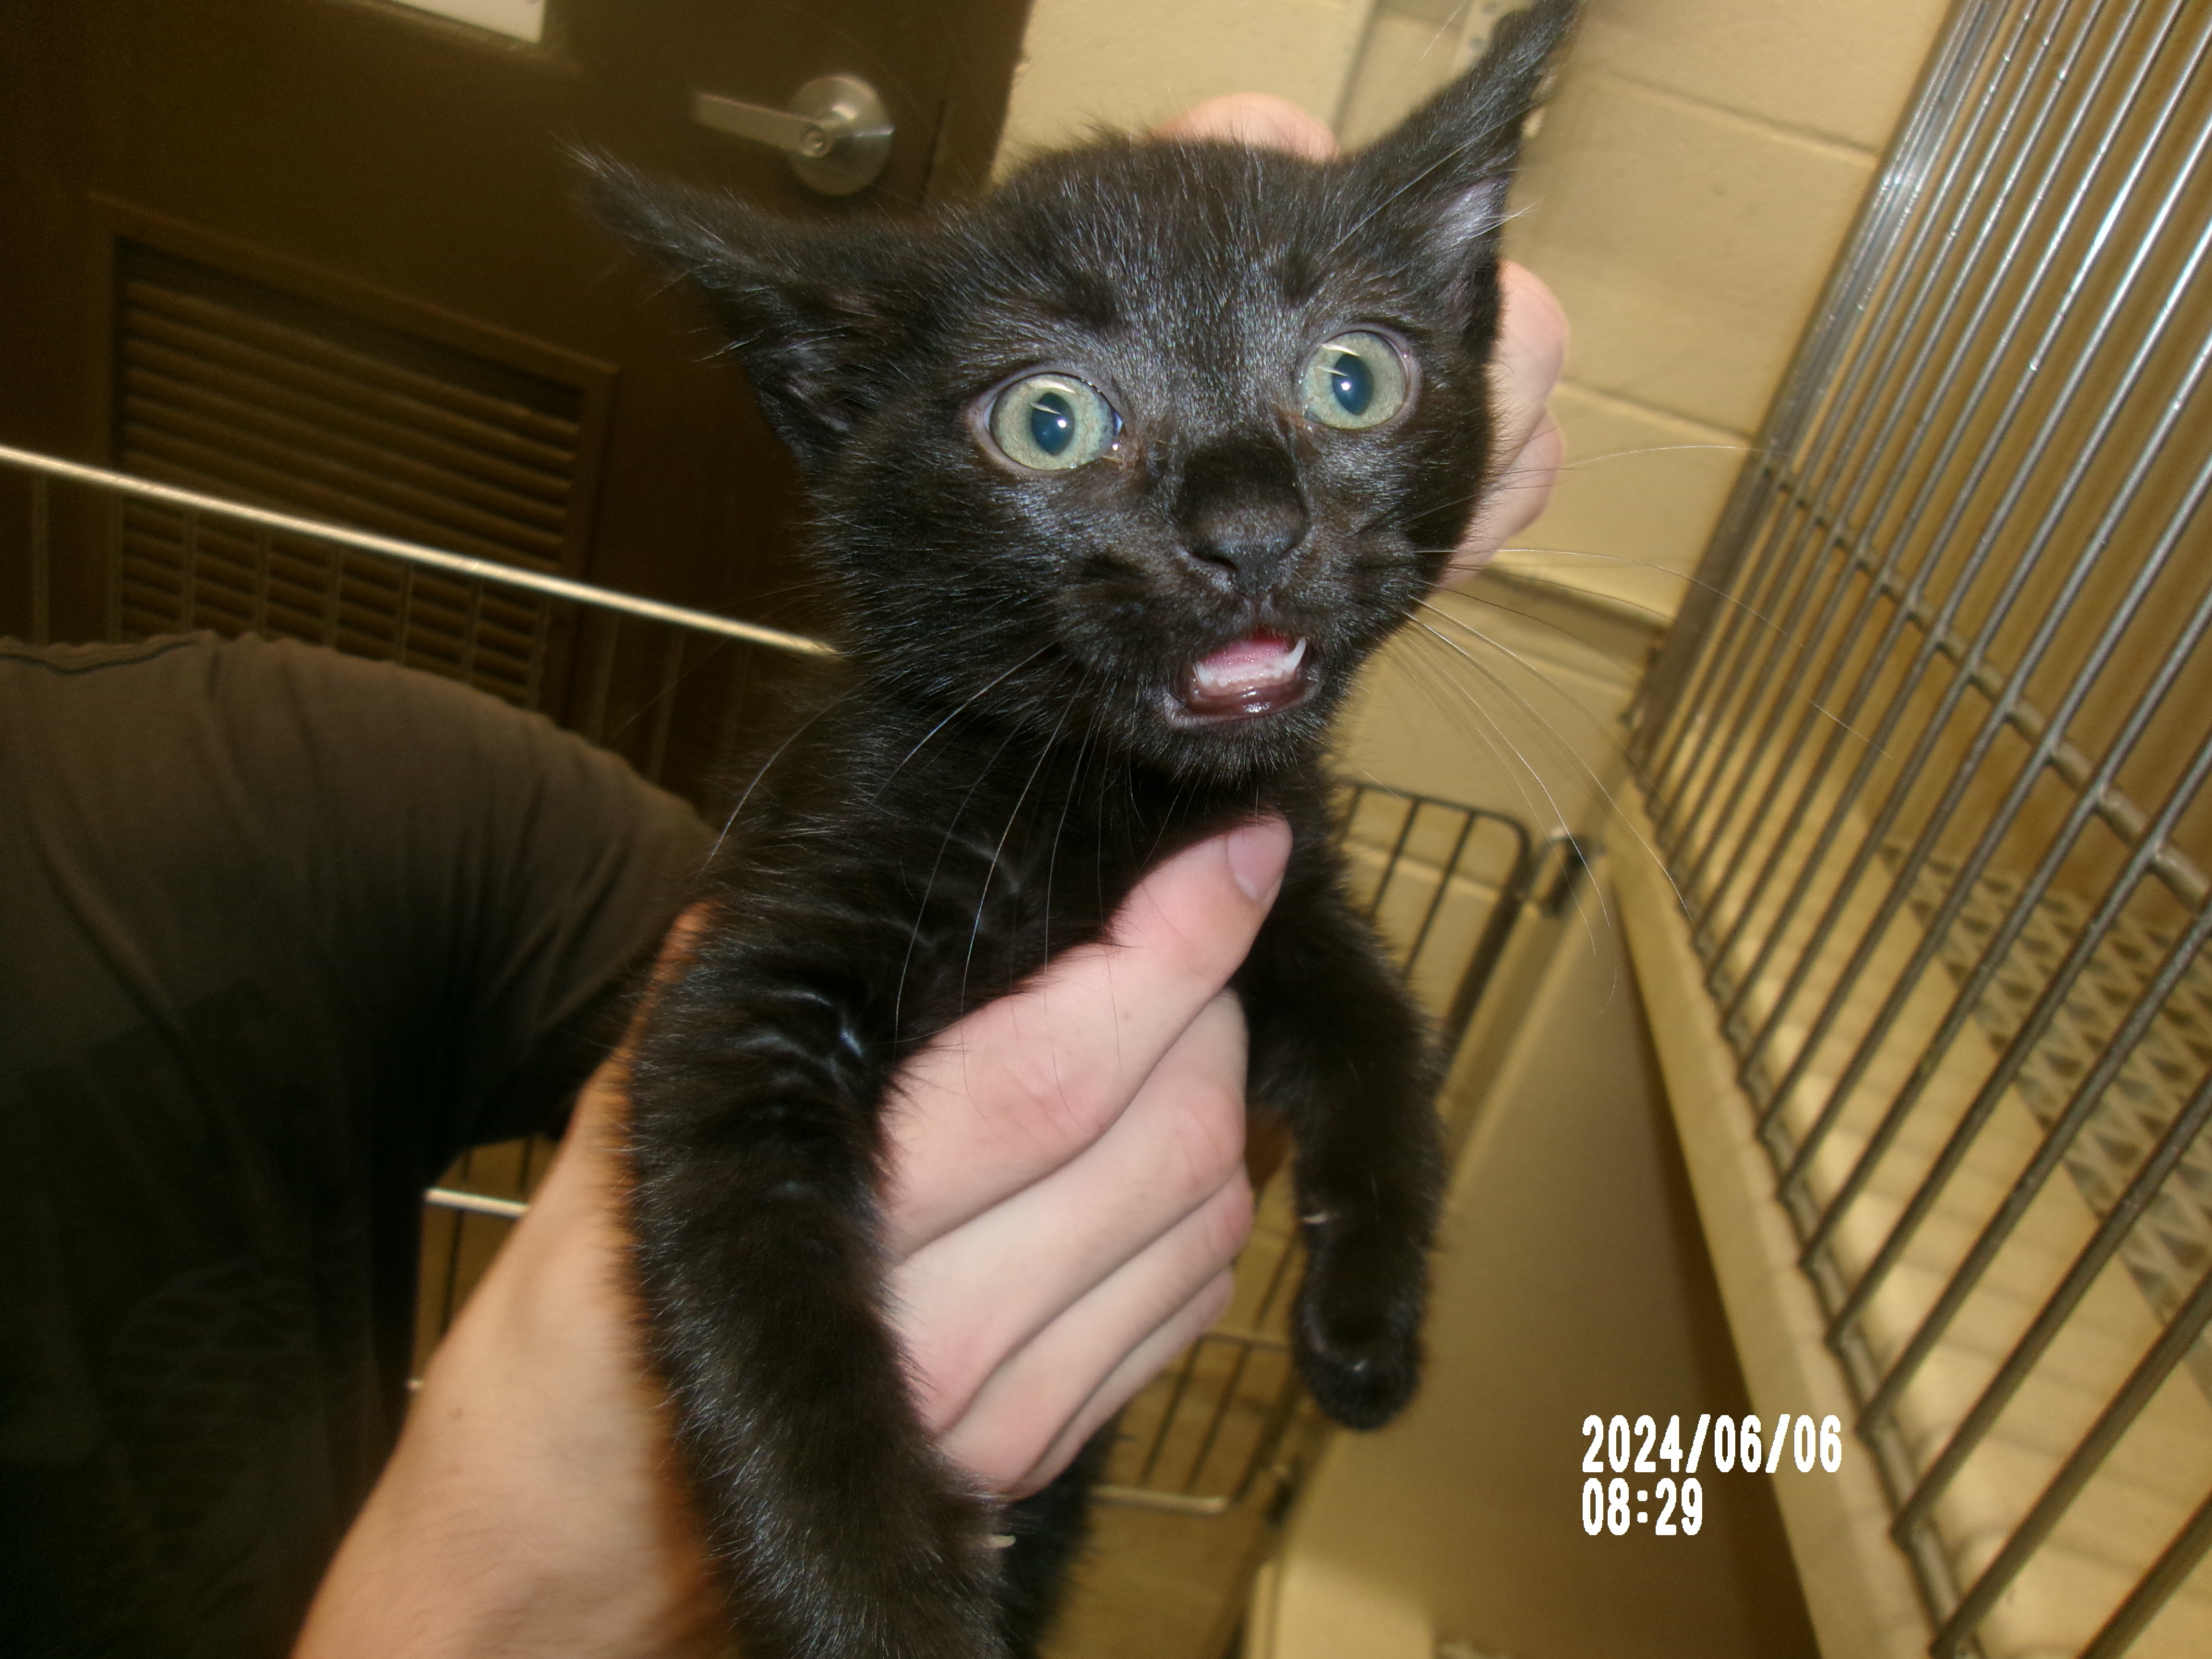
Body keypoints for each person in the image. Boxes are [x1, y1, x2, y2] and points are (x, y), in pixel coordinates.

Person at [0, 96, 1564, 1659]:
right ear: (828, 395)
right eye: (1054, 421)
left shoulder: (259, 778)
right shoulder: (903, 790)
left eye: (1347, 380)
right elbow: (734, 1099)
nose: (1245, 521)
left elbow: (1323, 990)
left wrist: (1373, 1173)